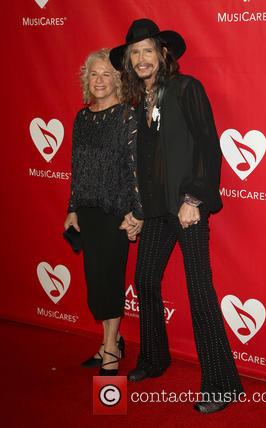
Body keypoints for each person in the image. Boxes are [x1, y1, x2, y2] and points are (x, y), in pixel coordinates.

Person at [110, 19, 244, 412]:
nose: (140, 58)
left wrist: (193, 198)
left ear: (163, 54)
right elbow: (146, 167)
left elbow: (208, 145)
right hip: (156, 213)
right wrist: (138, 212)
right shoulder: (141, 104)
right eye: (134, 53)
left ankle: (223, 383)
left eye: (147, 50)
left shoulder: (188, 89)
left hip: (187, 209)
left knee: (200, 290)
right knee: (146, 279)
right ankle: (154, 359)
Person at [64, 48, 143, 376]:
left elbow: (137, 168)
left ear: (118, 80)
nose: (99, 80)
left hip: (116, 211)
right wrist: (71, 209)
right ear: (87, 79)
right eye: (93, 74)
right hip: (89, 211)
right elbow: (76, 166)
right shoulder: (82, 118)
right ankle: (111, 340)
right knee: (96, 282)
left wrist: (137, 212)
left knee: (110, 281)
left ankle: (110, 347)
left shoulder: (127, 116)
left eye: (106, 74)